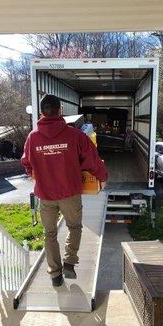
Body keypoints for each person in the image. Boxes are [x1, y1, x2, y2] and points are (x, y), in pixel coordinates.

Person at [21, 94, 108, 287]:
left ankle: (55, 275)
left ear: (42, 113)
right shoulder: (75, 135)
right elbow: (92, 160)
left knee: (49, 233)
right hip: (70, 193)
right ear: (60, 111)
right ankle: (69, 262)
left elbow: (27, 163)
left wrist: (38, 174)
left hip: (45, 195)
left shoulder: (32, 138)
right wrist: (103, 177)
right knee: (74, 227)